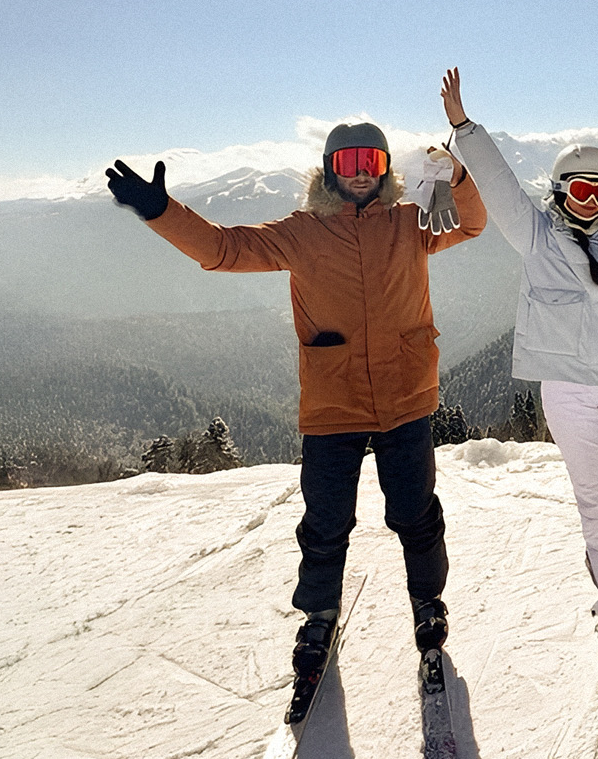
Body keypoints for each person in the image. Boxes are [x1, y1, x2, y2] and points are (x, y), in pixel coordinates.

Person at [105, 123, 485, 716]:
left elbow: (472, 223)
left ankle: (427, 603)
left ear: (385, 167)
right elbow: (222, 249)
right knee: (326, 521)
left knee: (416, 513)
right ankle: (319, 615)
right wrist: (161, 212)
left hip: (405, 393)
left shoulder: (410, 222)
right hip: (334, 401)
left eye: (371, 160)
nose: (360, 172)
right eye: (348, 162)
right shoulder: (302, 232)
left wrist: (457, 176)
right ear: (329, 170)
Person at [439, 68, 598, 725]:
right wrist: (465, 128)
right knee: (595, 507)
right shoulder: (536, 235)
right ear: (560, 190)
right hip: (567, 392)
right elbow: (499, 186)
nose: (593, 199)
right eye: (581, 188)